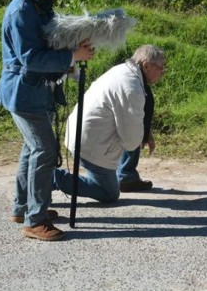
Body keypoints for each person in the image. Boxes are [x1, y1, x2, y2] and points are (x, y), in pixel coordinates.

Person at [0, 0, 95, 241]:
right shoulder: (21, 12)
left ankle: (23, 207)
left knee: (32, 149)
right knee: (44, 150)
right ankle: (35, 220)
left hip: (35, 92)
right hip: (24, 93)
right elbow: (31, 59)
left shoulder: (38, 6)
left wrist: (73, 46)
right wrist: (71, 55)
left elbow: (49, 41)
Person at [53, 45, 166, 201]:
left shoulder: (123, 71)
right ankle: (50, 177)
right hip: (89, 144)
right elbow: (132, 141)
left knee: (109, 187)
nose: (162, 73)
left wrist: (145, 132)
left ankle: (127, 176)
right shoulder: (132, 87)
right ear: (146, 65)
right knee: (108, 192)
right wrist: (142, 134)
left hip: (83, 135)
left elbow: (130, 121)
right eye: (161, 68)